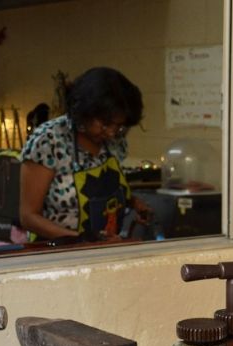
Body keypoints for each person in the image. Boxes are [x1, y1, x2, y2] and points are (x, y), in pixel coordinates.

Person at [19, 67, 148, 240]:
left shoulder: (115, 141)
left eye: (118, 126)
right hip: (58, 254)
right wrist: (82, 240)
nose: (111, 133)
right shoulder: (48, 141)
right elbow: (28, 217)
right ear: (84, 112)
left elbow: (105, 190)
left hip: (103, 251)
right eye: (105, 124)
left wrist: (132, 202)